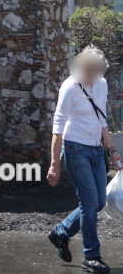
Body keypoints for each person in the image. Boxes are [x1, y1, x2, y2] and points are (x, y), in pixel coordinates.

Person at [48, 45, 123, 274]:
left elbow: (101, 120)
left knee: (99, 203)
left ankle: (60, 233)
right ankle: (91, 256)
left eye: (98, 71)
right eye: (91, 72)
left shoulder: (101, 84)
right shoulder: (70, 87)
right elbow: (58, 126)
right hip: (75, 149)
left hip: (95, 150)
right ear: (81, 68)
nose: (94, 76)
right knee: (89, 204)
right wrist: (54, 164)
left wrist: (112, 151)